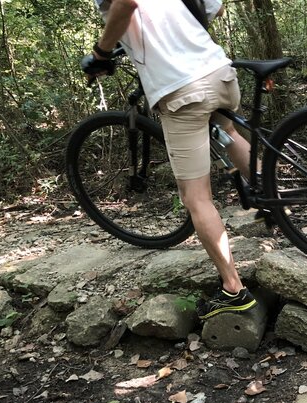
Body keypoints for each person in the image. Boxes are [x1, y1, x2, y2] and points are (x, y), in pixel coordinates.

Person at [83, 0, 256, 320]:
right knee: (229, 133)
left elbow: (125, 3)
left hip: (182, 89)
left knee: (196, 197)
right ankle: (283, 207)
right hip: (218, 73)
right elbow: (215, 8)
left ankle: (233, 289)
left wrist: (101, 52)